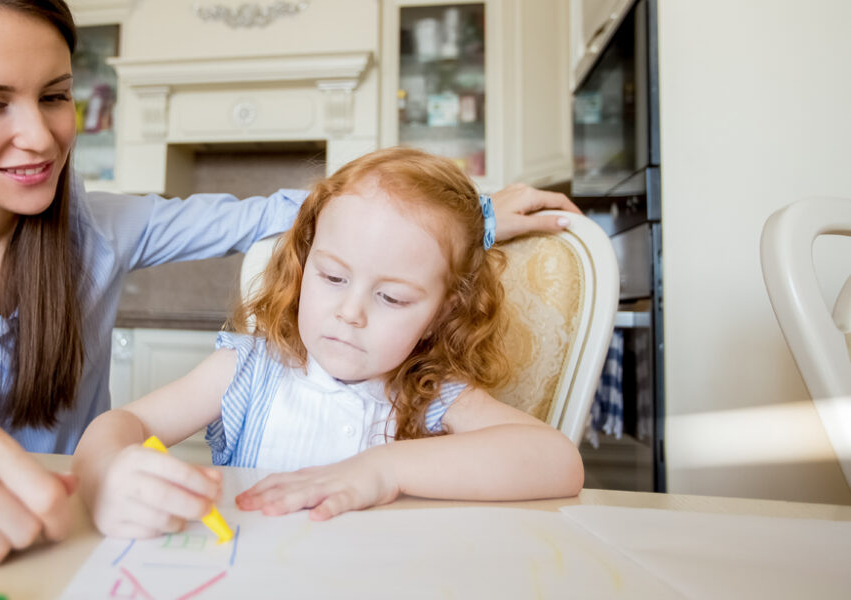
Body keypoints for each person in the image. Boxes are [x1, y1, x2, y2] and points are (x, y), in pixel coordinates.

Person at [0, 0, 578, 567]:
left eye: (57, 95)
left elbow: (298, 216)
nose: (39, 139)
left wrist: (469, 216)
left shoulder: (103, 227)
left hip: (75, 557)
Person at [75, 147, 584, 539]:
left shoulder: (427, 391)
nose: (350, 312)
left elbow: (557, 461)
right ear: (303, 264)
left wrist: (382, 471)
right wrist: (106, 475)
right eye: (333, 278)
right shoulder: (249, 369)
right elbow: (126, 424)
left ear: (441, 313)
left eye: (391, 297)